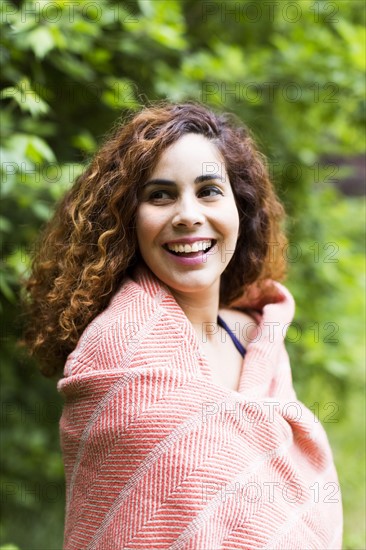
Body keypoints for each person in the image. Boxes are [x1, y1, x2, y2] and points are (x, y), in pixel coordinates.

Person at [23, 102, 343, 549]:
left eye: (209, 190)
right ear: (127, 220)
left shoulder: (257, 339)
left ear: (240, 208)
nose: (188, 214)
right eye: (160, 195)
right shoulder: (119, 352)